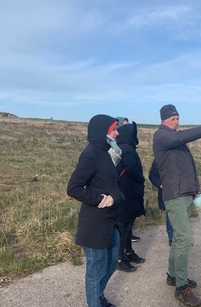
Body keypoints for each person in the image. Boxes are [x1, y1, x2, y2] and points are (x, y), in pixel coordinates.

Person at [153, 104, 201, 307]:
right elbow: (180, 137)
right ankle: (181, 286)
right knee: (184, 239)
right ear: (163, 121)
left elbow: (188, 168)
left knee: (180, 238)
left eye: (178, 118)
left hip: (185, 194)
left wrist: (195, 188)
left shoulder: (177, 142)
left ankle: (172, 276)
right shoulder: (162, 136)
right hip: (175, 195)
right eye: (172, 119)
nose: (176, 122)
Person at [67, 114, 124, 307]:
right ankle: (95, 302)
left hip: (110, 220)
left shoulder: (107, 152)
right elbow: (73, 187)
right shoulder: (91, 153)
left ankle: (97, 296)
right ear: (103, 131)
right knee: (96, 269)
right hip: (95, 222)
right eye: (114, 129)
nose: (117, 133)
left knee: (111, 264)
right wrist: (99, 200)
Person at [115, 121, 146, 272]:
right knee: (124, 227)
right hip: (127, 194)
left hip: (129, 193)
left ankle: (128, 252)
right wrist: (141, 178)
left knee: (128, 226)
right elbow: (130, 168)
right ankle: (120, 259)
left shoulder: (123, 147)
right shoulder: (127, 149)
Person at [148, 159, 173, 246]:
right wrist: (160, 184)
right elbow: (152, 175)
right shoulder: (159, 159)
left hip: (180, 191)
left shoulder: (180, 155)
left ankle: (181, 237)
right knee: (169, 214)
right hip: (166, 192)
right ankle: (171, 237)